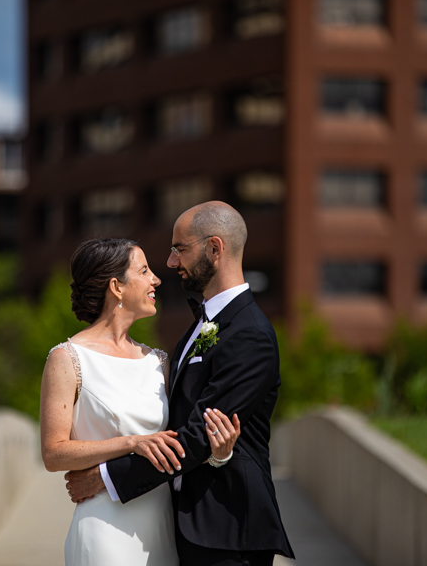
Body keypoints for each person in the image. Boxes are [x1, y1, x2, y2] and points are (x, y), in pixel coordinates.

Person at [66, 202, 295, 566]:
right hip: (186, 525)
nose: (171, 263)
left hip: (227, 529)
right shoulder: (203, 325)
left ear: (214, 249)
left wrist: (106, 478)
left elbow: (201, 435)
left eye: (179, 249)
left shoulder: (251, 334)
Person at [40, 238, 241, 566]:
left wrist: (219, 454)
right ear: (116, 286)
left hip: (162, 530)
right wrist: (132, 443)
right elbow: (54, 453)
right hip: (104, 529)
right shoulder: (67, 358)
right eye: (145, 271)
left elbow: (178, 441)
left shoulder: (158, 361)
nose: (156, 280)